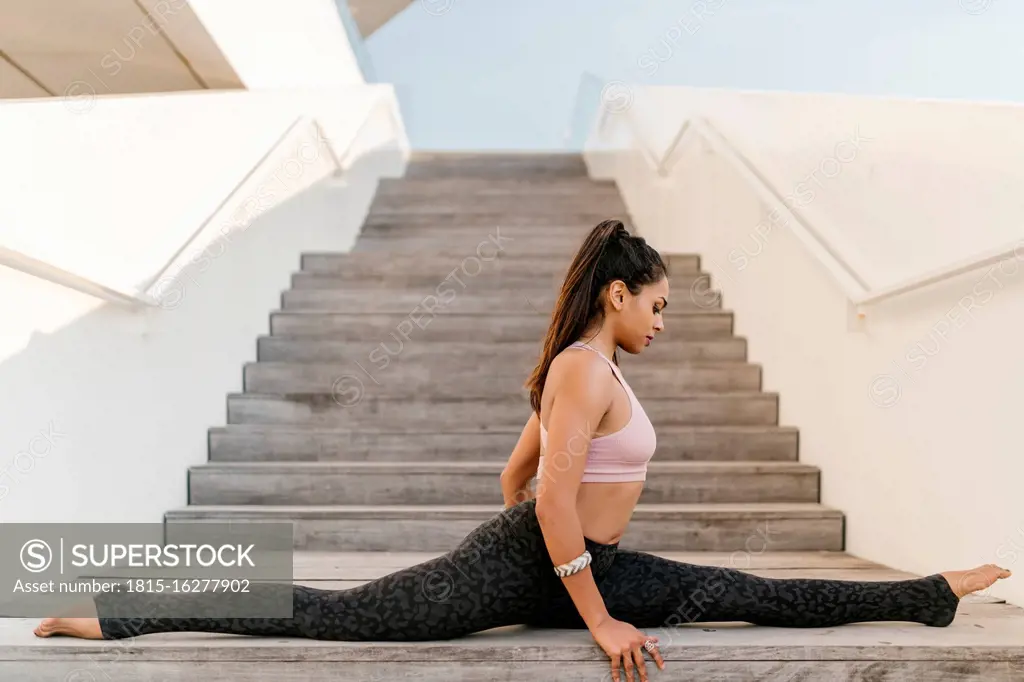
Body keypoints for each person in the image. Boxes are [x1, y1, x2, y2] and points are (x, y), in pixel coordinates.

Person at [35, 219, 1011, 682]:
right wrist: (595, 620)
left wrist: (565, 567)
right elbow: (541, 501)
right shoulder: (583, 372)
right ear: (616, 294)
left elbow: (518, 478)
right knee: (336, 616)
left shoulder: (585, 371)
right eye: (658, 306)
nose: (665, 323)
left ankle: (920, 593)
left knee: (748, 589)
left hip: (566, 567)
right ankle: (121, 612)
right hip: (533, 567)